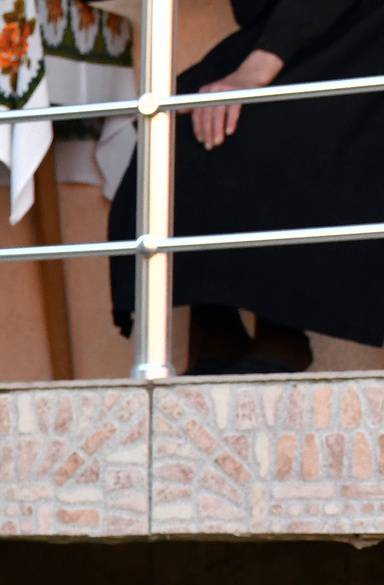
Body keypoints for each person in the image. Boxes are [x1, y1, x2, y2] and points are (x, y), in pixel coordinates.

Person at [109, 0, 384, 373]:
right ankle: (217, 329)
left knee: (269, 127)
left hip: (362, 32)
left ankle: (281, 332)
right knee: (173, 127)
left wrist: (259, 66)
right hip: (292, 31)